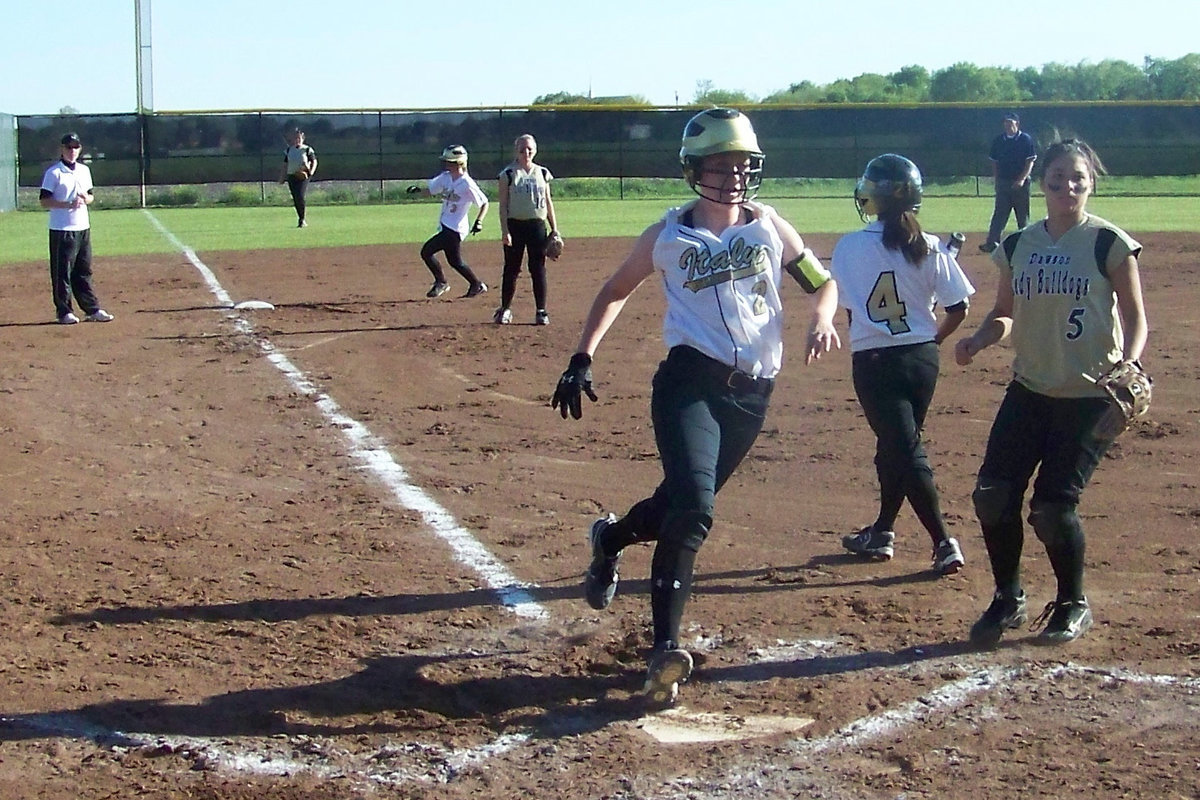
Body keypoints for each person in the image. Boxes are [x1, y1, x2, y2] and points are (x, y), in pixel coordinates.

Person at [550, 108, 840, 707]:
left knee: (677, 503)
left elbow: (822, 280)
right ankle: (664, 651)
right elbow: (614, 290)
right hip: (689, 384)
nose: (733, 175)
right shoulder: (668, 238)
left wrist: (821, 317)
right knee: (696, 509)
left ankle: (610, 540)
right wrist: (582, 357)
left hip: (752, 395)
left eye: (742, 164)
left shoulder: (770, 228)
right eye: (719, 164)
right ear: (694, 171)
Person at [955, 137, 1149, 648]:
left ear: (1091, 183)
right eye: (1058, 177)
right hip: (1030, 390)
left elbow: (1135, 317)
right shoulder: (1018, 246)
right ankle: (1008, 598)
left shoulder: (1109, 242)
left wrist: (1129, 363)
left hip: (1087, 396)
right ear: (1041, 183)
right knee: (993, 495)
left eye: (1078, 178)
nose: (1068, 186)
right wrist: (978, 338)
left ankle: (1072, 603)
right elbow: (1004, 313)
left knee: (1051, 508)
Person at [831, 154, 974, 576]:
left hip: (875, 361)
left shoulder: (850, 246)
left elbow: (852, 312)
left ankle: (943, 541)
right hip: (922, 360)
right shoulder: (929, 245)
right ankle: (882, 531)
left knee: (906, 449)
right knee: (895, 446)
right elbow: (959, 307)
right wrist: (931, 340)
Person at [39, 132, 113, 325]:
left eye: (75, 147)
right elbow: (44, 201)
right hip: (62, 228)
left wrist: (84, 199)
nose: (72, 151)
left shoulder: (83, 170)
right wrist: (67, 204)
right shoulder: (54, 173)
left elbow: (90, 196)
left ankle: (92, 309)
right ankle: (64, 311)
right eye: (68, 147)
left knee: (83, 269)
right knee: (62, 272)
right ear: (62, 149)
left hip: (82, 226)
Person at [494, 134, 559, 326]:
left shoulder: (543, 173)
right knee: (511, 269)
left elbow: (548, 202)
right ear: (516, 151)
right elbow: (503, 205)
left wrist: (555, 229)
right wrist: (505, 231)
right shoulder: (508, 174)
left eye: (529, 149)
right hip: (515, 225)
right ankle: (505, 309)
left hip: (537, 226)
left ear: (535, 150)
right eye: (522, 149)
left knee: (538, 269)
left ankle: (541, 311)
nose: (526, 153)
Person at [407, 145, 489, 299]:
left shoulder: (466, 183)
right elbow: (431, 190)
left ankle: (442, 282)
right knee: (455, 261)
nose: (446, 164)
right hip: (446, 225)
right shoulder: (445, 177)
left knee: (427, 252)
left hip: (455, 228)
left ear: (459, 163)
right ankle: (476, 284)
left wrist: (479, 221)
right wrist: (418, 191)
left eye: (450, 161)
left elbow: (484, 202)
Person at [980, 112, 1037, 253]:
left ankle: (1026, 244)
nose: (1008, 125)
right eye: (1005, 122)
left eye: (1010, 122)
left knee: (1022, 216)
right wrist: (997, 179)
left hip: (1021, 183)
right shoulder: (999, 140)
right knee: (999, 214)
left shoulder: (1025, 139)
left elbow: (1030, 162)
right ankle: (991, 243)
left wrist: (1022, 179)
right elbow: (994, 162)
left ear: (1017, 124)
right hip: (1004, 182)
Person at [279, 128, 318, 228]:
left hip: (303, 175)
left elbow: (314, 161)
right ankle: (300, 218)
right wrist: (282, 178)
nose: (297, 140)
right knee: (296, 198)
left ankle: (302, 219)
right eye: (295, 138)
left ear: (303, 138)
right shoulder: (289, 150)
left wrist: (311, 172)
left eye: (299, 138)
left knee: (300, 196)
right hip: (292, 175)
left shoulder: (307, 149)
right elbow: (285, 165)